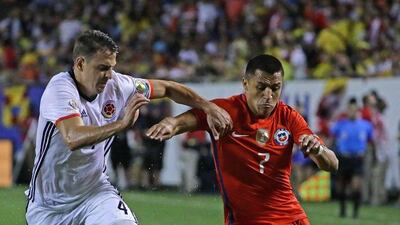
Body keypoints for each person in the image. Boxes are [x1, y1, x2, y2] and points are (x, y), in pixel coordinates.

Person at [25, 30, 232, 225]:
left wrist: (208, 106)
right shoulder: (60, 89)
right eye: (103, 68)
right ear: (80, 64)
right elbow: (73, 137)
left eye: (112, 67)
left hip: (94, 194)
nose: (109, 75)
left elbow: (168, 88)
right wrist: (121, 124)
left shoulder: (119, 85)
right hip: (48, 207)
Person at [146, 54, 339, 225]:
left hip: (290, 217)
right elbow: (183, 122)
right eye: (261, 87)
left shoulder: (288, 117)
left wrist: (318, 150)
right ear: (245, 84)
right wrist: (171, 124)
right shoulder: (223, 111)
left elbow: (332, 164)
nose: (268, 96)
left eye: (275, 88)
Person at [330, 97, 374, 218]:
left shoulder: (366, 125)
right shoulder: (340, 124)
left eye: (354, 110)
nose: (352, 112)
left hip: (357, 159)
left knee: (356, 186)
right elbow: (332, 136)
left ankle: (355, 213)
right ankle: (342, 211)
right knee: (342, 186)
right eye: (350, 110)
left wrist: (371, 156)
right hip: (344, 158)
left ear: (358, 111)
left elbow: (370, 141)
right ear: (347, 110)